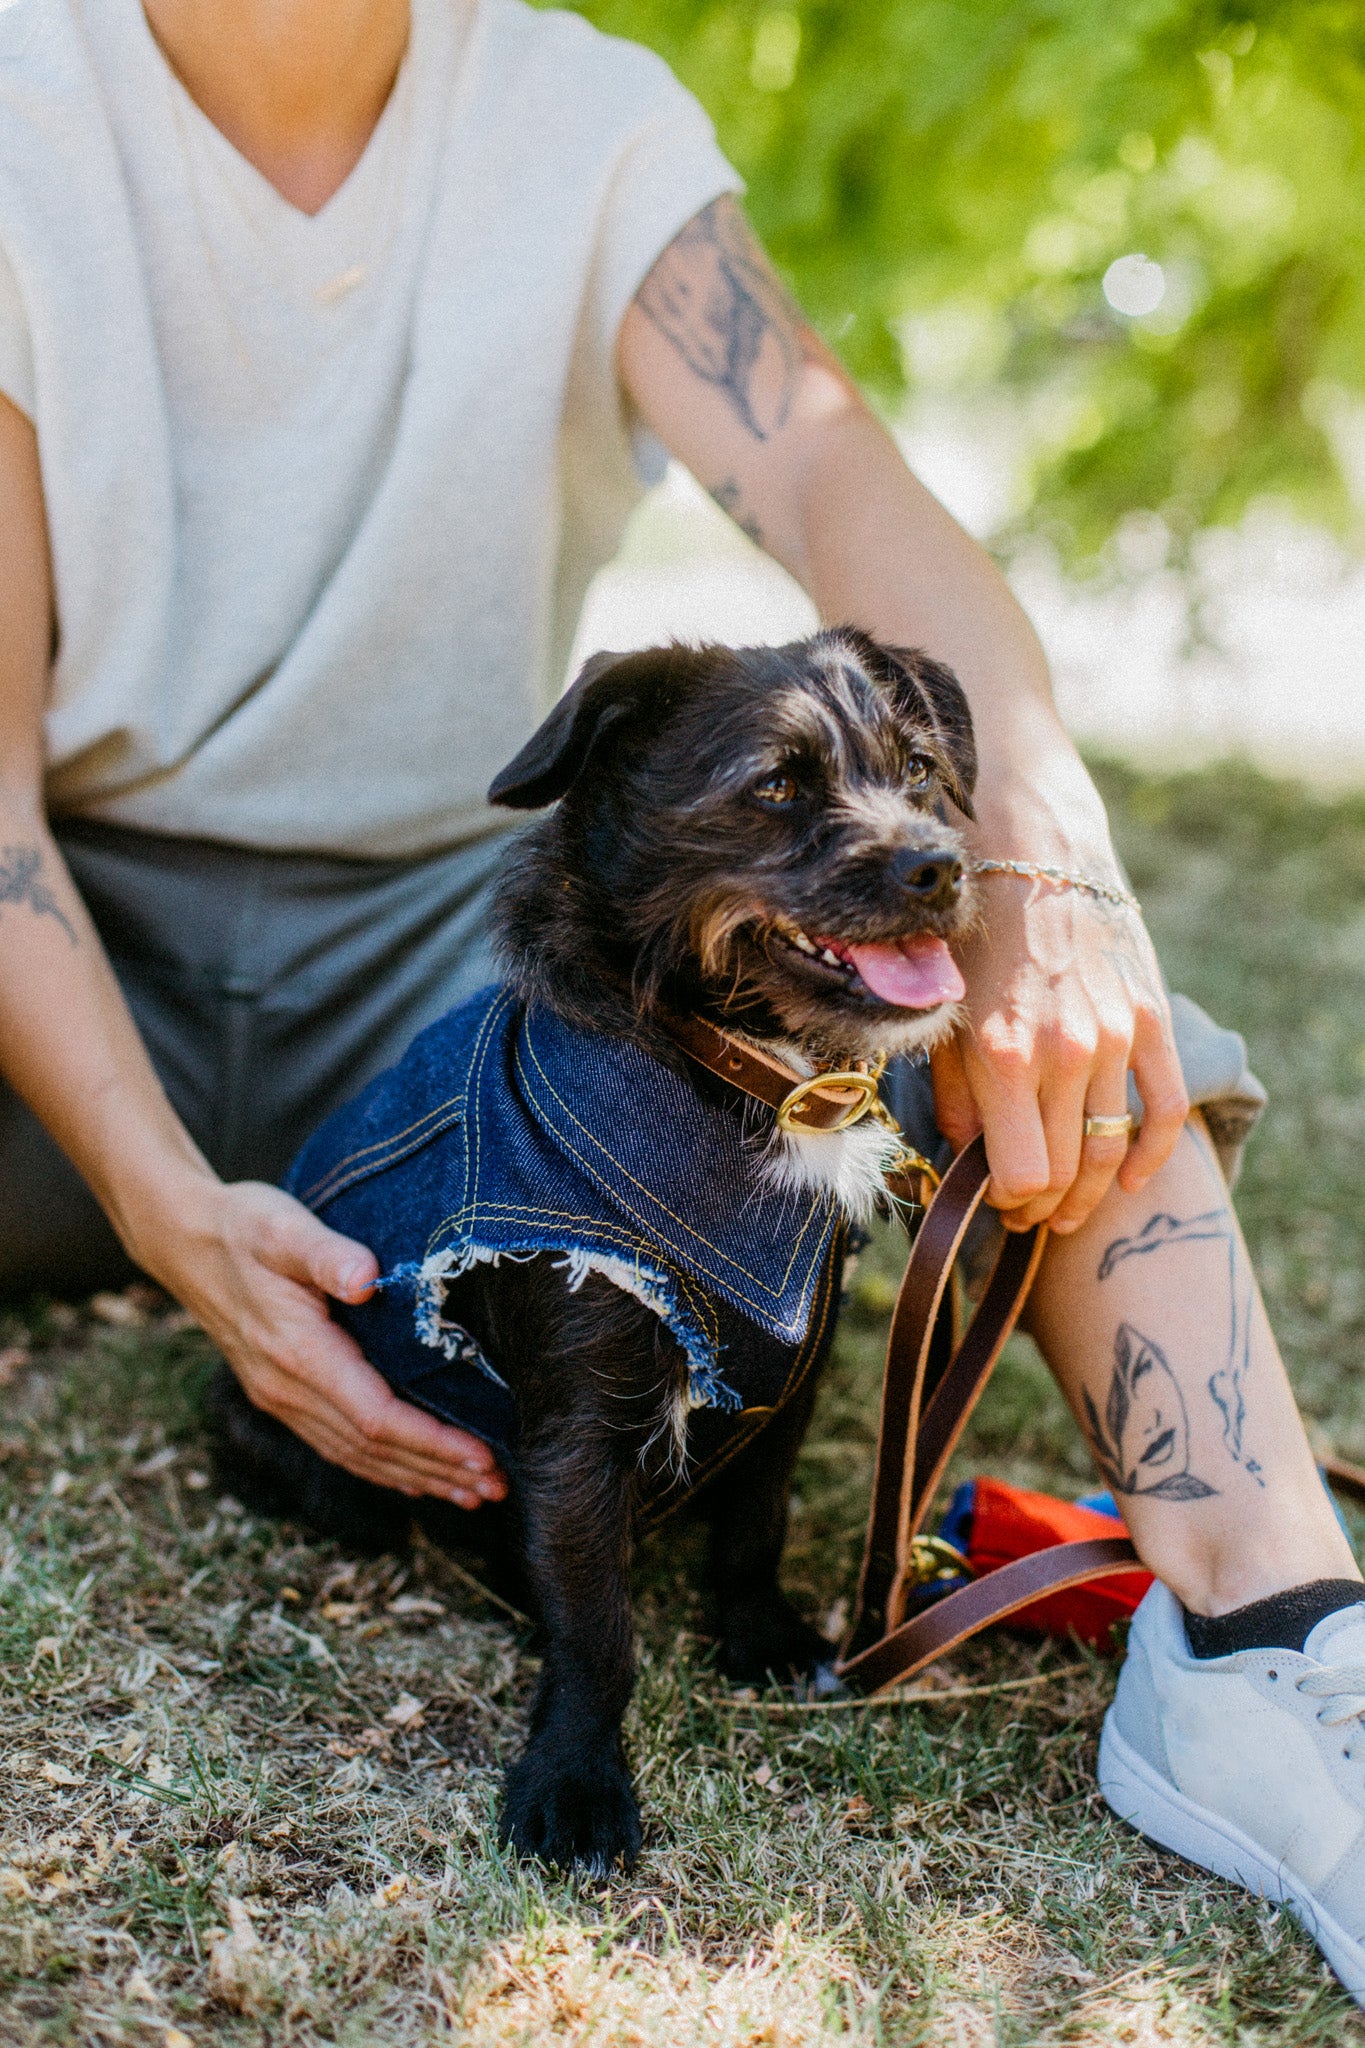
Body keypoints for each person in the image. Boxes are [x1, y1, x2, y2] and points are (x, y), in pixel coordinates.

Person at [2, 0, 1363, 1999]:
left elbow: (846, 505)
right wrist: (153, 1200)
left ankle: (1271, 1640)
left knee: (1064, 991)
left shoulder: (574, 117)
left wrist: (1043, 863)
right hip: (71, 933)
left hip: (458, 942)